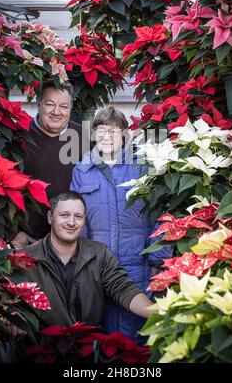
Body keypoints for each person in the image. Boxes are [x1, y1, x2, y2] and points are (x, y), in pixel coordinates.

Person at [70, 106, 172, 341]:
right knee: (101, 336)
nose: (107, 137)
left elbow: (161, 214)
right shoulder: (83, 170)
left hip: (140, 266)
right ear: (94, 134)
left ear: (124, 135)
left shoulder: (142, 167)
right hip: (98, 268)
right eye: (101, 130)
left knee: (140, 335)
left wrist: (159, 259)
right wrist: (80, 263)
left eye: (114, 132)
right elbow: (76, 218)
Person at [24, 191, 153, 329]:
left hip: (88, 345)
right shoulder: (25, 258)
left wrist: (163, 314)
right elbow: (10, 300)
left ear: (84, 221)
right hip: (41, 345)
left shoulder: (98, 254)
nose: (71, 222)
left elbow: (124, 289)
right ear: (50, 217)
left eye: (78, 216)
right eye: (64, 215)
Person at [11, 80, 87, 248]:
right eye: (50, 104)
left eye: (64, 106)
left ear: (70, 108)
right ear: (39, 104)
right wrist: (13, 232)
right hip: (28, 241)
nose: (56, 112)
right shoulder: (17, 137)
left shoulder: (84, 137)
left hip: (73, 242)